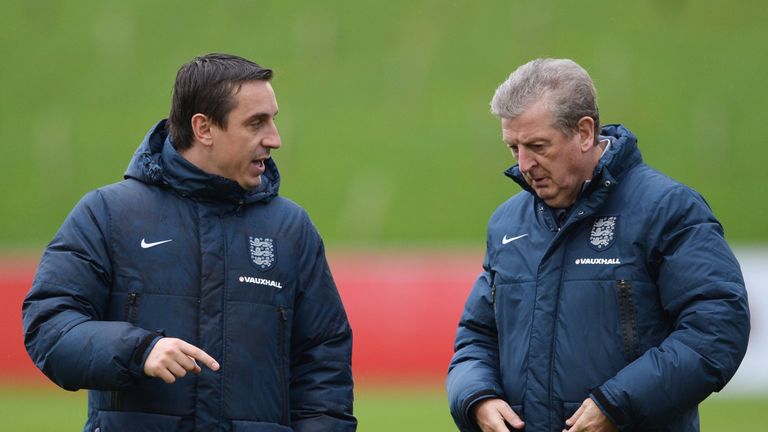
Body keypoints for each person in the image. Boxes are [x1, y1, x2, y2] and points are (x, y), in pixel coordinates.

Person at [23, 53, 356, 432]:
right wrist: (138, 350)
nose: (275, 140)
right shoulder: (109, 215)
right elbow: (49, 327)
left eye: (273, 120)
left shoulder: (291, 230)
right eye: (256, 123)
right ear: (204, 129)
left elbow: (324, 366)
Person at [446, 58, 750, 432]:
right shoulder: (508, 223)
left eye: (538, 146)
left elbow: (717, 329)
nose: (524, 164)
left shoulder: (666, 210)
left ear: (585, 133)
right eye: (514, 148)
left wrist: (619, 403)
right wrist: (477, 397)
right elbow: (476, 338)